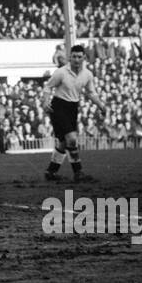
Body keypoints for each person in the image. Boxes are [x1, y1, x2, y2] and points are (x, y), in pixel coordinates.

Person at [43, 44, 107, 182]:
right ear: (69, 58)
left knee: (63, 142)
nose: (76, 59)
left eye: (79, 57)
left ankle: (51, 172)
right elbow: (48, 88)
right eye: (74, 57)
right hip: (58, 106)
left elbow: (91, 93)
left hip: (73, 107)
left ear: (84, 57)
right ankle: (78, 172)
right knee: (71, 139)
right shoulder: (61, 72)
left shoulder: (87, 74)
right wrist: (45, 102)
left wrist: (101, 105)